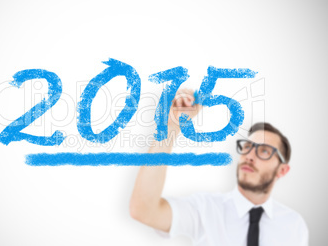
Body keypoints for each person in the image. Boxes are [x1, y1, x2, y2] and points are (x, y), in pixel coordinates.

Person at [129, 89, 308, 246]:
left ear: (282, 170)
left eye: (264, 151)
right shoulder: (205, 209)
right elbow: (143, 210)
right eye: (247, 147)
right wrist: (170, 127)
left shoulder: (294, 225)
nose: (250, 156)